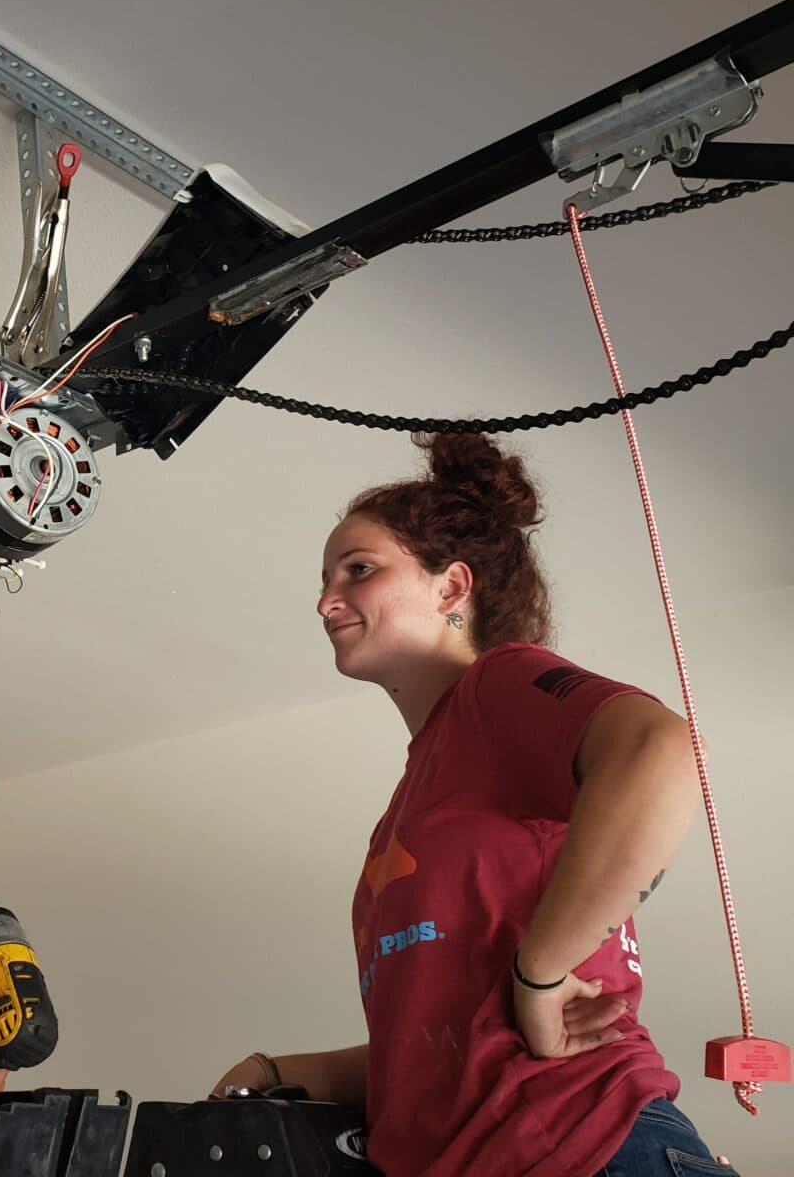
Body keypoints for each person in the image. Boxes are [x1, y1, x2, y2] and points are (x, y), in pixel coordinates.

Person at [210, 432, 737, 1176]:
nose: (326, 600)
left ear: (452, 588)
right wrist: (274, 1070)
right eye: (326, 580)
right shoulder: (416, 798)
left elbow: (663, 752)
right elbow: (439, 1038)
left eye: (358, 571)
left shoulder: (496, 686)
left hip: (586, 1149)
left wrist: (541, 975)